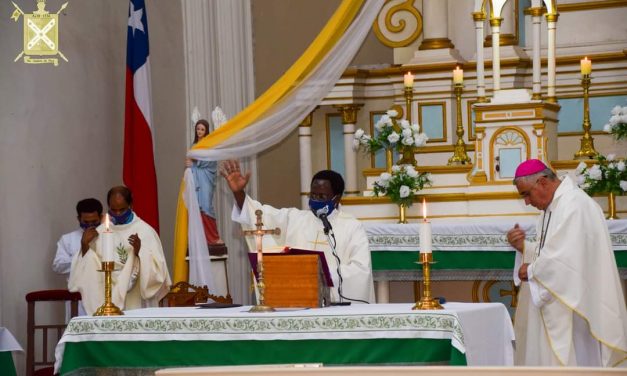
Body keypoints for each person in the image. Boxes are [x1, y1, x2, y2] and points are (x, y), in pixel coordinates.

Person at [506, 159, 627, 367]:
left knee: (578, 358)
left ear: (542, 182)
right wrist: (525, 248)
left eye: (527, 194)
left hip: (578, 306)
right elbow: (554, 251)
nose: (527, 201)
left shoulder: (575, 205)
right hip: (566, 300)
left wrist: (533, 270)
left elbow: (567, 259)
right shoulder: (553, 207)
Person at [220, 160, 375, 304]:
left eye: (322, 196)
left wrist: (322, 275)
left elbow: (360, 271)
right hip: (297, 302)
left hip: (335, 305)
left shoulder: (352, 227)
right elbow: (257, 215)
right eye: (312, 195)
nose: (315, 200)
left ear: (336, 199)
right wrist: (239, 193)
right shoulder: (294, 218)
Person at [68, 186, 171, 315]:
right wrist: (84, 245)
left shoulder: (145, 231)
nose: (117, 214)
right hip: (106, 297)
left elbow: (159, 271)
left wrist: (141, 253)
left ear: (130, 205)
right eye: (113, 210)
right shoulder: (100, 232)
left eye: (122, 210)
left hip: (136, 299)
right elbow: (88, 267)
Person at [52, 198, 102, 317]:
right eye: (86, 222)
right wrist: (81, 254)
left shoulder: (109, 237)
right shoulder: (68, 239)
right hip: (78, 299)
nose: (90, 226)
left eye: (94, 222)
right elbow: (57, 266)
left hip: (103, 294)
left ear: (100, 217)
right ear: (79, 219)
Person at [186, 119, 222, 244]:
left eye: (202, 129)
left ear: (206, 131)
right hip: (196, 179)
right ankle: (202, 238)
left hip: (206, 177)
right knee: (198, 208)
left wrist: (195, 161)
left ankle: (214, 237)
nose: (199, 131)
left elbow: (211, 162)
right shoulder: (194, 145)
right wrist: (191, 164)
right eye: (198, 129)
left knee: (207, 206)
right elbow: (190, 161)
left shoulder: (209, 145)